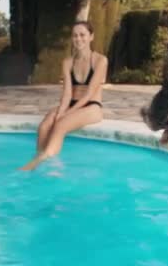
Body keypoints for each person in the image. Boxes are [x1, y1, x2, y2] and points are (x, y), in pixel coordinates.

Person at [19, 21, 108, 171]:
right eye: (75, 36)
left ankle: (41, 162)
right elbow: (67, 93)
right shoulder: (68, 62)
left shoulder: (100, 60)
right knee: (44, 126)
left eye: (82, 35)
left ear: (91, 37)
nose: (78, 39)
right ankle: (41, 158)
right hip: (71, 103)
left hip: (92, 106)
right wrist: (61, 111)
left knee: (60, 125)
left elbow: (88, 94)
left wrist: (67, 114)